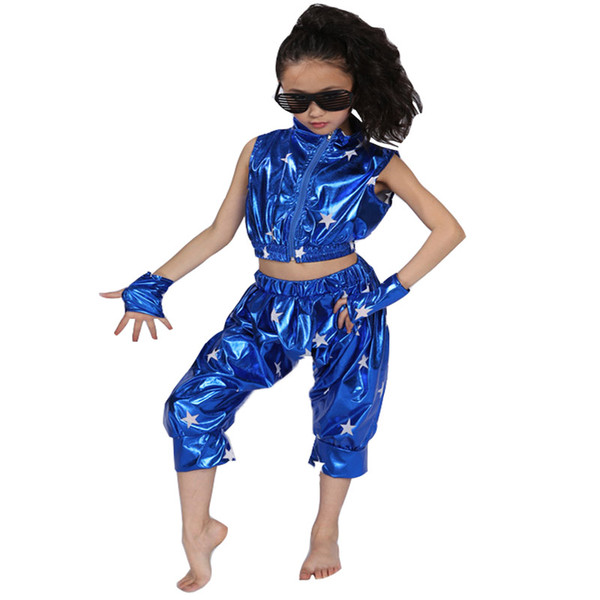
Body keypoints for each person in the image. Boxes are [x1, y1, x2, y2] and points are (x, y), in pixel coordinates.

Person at [100, 3, 465, 592]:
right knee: (190, 406)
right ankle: (198, 533)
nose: (313, 111)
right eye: (295, 99)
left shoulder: (375, 162)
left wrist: (381, 296)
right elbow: (219, 232)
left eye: (331, 98)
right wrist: (154, 282)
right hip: (266, 305)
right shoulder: (261, 150)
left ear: (357, 90)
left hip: (346, 304)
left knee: (345, 417)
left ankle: (325, 530)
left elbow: (447, 229)